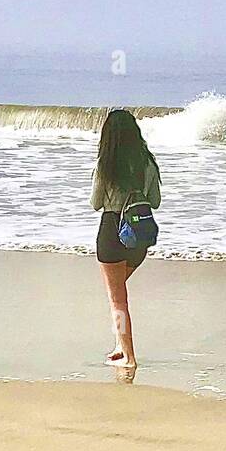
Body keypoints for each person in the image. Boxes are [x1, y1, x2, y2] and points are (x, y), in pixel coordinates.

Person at [91, 108, 161, 369]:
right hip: (139, 236)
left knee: (117, 299)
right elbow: (155, 201)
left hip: (112, 233)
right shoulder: (147, 163)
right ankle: (121, 345)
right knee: (118, 295)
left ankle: (128, 356)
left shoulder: (105, 164)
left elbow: (95, 203)